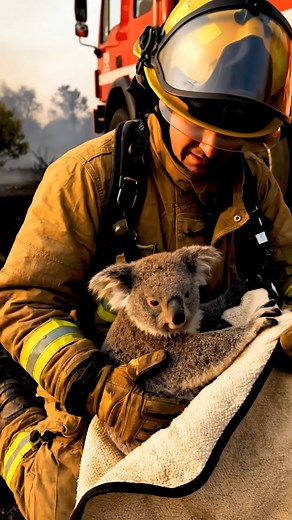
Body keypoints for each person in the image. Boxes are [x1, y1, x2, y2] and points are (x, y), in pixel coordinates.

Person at [0, 0, 292, 518]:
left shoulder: (254, 183)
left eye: (228, 137)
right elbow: (23, 304)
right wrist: (95, 386)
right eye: (192, 123)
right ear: (161, 97)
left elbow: (290, 273)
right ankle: (13, 431)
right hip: (104, 393)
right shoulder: (88, 179)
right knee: (74, 502)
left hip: (215, 386)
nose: (208, 147)